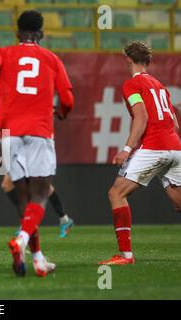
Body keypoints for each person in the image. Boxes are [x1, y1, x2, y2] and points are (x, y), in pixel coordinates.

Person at [0, 10, 74, 276]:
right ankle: (21, 241)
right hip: (40, 131)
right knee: (41, 193)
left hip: (9, 132)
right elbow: (67, 98)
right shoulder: (51, 58)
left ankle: (37, 258)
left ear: (17, 33)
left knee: (23, 199)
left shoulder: (3, 53)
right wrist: (63, 112)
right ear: (41, 34)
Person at [99, 41, 181, 265]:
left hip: (155, 147)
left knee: (116, 193)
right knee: (179, 203)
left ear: (128, 60)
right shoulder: (160, 86)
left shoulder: (131, 85)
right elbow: (174, 124)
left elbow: (141, 117)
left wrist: (126, 149)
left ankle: (126, 256)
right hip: (175, 147)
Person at [1, 174, 74, 238]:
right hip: (18, 158)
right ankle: (27, 223)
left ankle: (27, 225)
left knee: (42, 185)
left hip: (30, 158)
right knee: (7, 184)